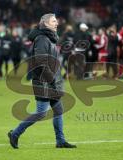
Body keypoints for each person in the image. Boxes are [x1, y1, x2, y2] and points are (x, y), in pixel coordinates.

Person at [8, 13, 77, 149]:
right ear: (45, 23)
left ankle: (60, 141)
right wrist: (51, 78)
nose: (57, 23)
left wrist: (55, 78)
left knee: (58, 110)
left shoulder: (50, 38)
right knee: (41, 112)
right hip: (43, 81)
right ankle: (15, 133)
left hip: (52, 80)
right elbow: (41, 61)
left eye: (56, 20)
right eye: (53, 21)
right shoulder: (41, 38)